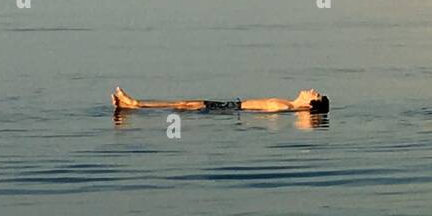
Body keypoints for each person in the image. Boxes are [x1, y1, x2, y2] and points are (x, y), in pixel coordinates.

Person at [111, 86, 329, 114]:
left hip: (229, 109)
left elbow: (256, 112)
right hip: (230, 107)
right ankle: (133, 104)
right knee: (182, 103)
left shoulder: (284, 107)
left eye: (315, 94)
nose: (311, 90)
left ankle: (136, 104)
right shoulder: (286, 104)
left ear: (310, 104)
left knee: (182, 104)